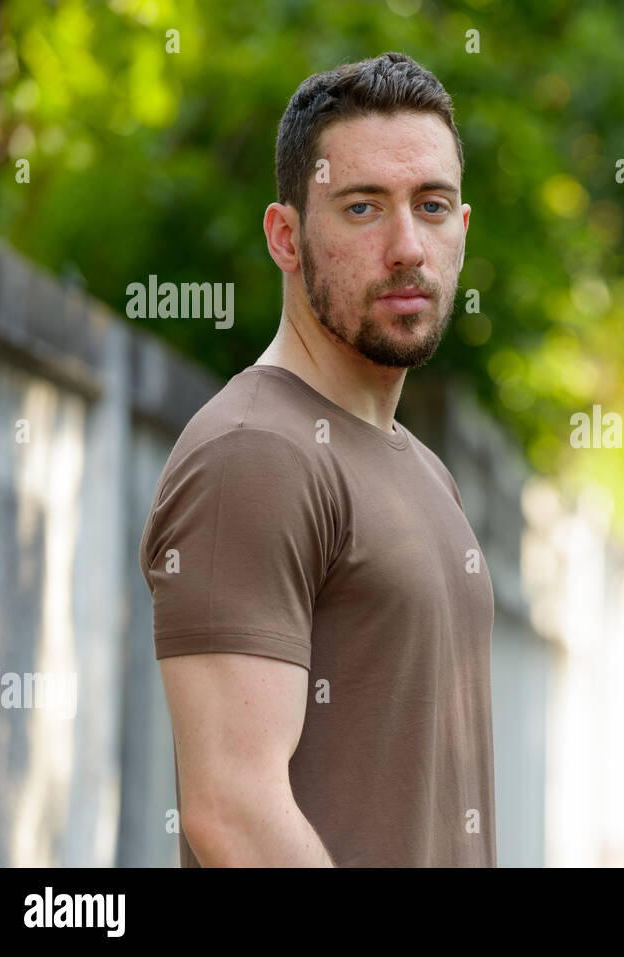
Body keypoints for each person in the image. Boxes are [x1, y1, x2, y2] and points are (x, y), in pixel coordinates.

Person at [138, 51, 495, 866]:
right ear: (287, 236)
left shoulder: (423, 470)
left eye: (431, 206)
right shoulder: (253, 455)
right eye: (363, 208)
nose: (408, 246)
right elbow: (233, 815)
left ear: (461, 231)